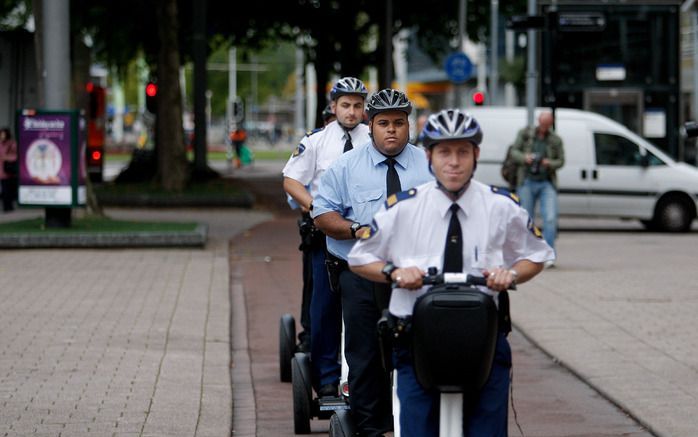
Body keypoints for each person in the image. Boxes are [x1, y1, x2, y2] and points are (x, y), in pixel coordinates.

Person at [347, 108, 555, 437]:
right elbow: (360, 258)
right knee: (417, 430)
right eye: (444, 152)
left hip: (483, 337)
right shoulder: (402, 208)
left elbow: (538, 254)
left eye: (462, 152)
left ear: (476, 155)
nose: (453, 162)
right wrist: (394, 271)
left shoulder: (501, 206)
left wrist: (511, 275)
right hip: (416, 337)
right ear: (429, 156)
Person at [312, 89, 433, 436]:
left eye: (399, 122)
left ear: (408, 125)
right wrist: (355, 229)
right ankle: (370, 427)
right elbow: (322, 214)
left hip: (416, 276)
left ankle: (414, 424)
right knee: (365, 357)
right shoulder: (346, 167)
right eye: (383, 123)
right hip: (361, 273)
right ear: (371, 124)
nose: (391, 130)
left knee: (417, 352)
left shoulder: (429, 164)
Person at [282, 77, 370, 398]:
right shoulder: (317, 141)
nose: (351, 111)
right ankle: (328, 380)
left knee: (363, 309)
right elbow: (292, 180)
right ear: (333, 106)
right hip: (324, 237)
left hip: (364, 237)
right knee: (324, 310)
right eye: (345, 105)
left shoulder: (372, 139)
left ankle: (362, 378)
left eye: (358, 105)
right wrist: (314, 208)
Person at [509, 111, 565, 258]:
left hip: (546, 182)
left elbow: (561, 161)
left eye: (547, 124)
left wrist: (549, 163)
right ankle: (527, 254)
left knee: (551, 218)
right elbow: (514, 152)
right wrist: (525, 158)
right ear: (538, 121)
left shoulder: (555, 140)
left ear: (551, 123)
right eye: (542, 124)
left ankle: (548, 254)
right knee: (526, 219)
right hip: (526, 181)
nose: (544, 127)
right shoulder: (526, 134)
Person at [0, 127, 18, 212]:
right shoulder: (0, 144)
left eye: (3, 134)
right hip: (2, 170)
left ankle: (9, 206)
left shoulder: (12, 144)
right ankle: (6, 207)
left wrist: (7, 158)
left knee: (9, 190)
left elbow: (16, 156)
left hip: (9, 170)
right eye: (1, 134)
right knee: (4, 190)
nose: (2, 136)